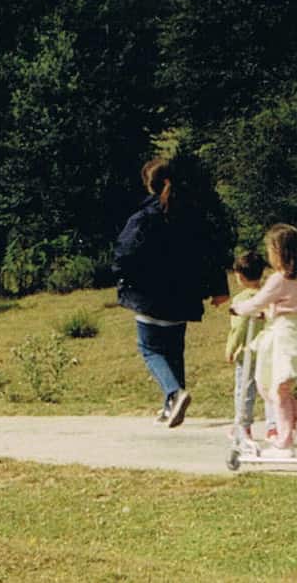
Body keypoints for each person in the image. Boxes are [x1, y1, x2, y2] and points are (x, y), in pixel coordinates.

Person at [112, 156, 217, 428]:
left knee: (149, 349)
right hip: (183, 297)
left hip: (148, 296)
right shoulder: (192, 215)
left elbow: (124, 253)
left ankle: (175, 393)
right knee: (174, 350)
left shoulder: (143, 218)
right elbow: (210, 253)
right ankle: (171, 406)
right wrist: (216, 288)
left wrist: (123, 277)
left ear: (149, 185)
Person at [231, 223, 297, 451]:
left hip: (283, 337)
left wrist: (238, 308)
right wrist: (267, 312)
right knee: (274, 387)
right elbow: (286, 305)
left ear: (280, 253)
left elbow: (257, 302)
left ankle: (285, 438)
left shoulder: (279, 279)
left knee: (276, 388)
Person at [224, 249, 266, 446]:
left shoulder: (241, 300)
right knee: (268, 389)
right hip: (266, 350)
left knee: (244, 390)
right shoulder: (266, 296)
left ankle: (243, 425)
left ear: (239, 276)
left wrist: (231, 348)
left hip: (247, 352)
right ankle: (273, 426)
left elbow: (239, 327)